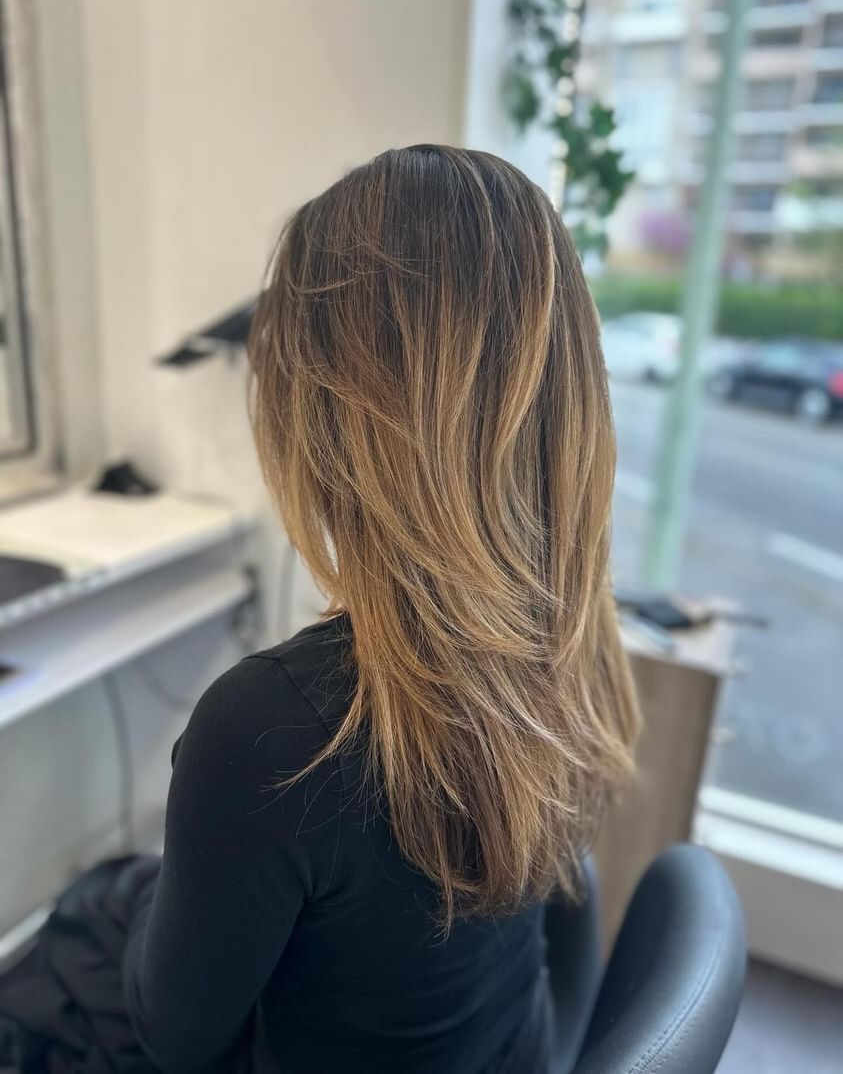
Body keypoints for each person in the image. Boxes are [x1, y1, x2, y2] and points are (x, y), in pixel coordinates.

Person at [123, 145, 640, 1073]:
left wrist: (167, 887)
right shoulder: (575, 646)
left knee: (83, 930)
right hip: (508, 1049)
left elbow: (173, 1041)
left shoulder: (276, 736)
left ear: (321, 414)